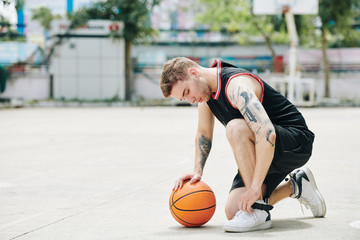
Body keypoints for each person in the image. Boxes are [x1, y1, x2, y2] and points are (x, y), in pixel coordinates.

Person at [160, 57, 326, 232]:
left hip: (295, 141)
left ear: (194, 73)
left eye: (186, 92)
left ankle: (260, 211)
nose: (191, 100)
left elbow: (266, 133)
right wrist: (197, 171)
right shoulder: (205, 95)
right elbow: (203, 133)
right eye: (184, 98)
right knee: (234, 210)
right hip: (263, 149)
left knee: (235, 127)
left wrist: (254, 189)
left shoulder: (236, 86)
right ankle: (296, 185)